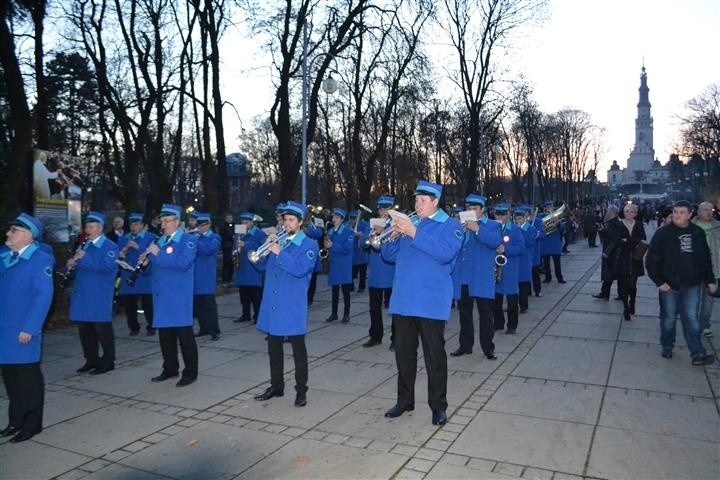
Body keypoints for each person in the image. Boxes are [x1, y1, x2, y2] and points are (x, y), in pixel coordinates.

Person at [381, 180, 463, 426]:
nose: (418, 204)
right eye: (416, 200)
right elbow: (387, 256)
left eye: (423, 200)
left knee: (434, 357)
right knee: (404, 356)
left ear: (435, 202)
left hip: (430, 301)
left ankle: (438, 406)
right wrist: (393, 236)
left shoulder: (451, 226)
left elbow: (446, 253)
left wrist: (413, 232)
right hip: (405, 300)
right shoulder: (410, 223)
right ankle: (405, 401)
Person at [253, 201, 318, 407]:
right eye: (284, 220)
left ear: (300, 223)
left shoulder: (309, 245)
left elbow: (300, 269)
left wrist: (278, 251)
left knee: (299, 350)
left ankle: (301, 390)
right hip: (273, 304)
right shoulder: (279, 242)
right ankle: (276, 386)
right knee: (274, 349)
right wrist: (264, 249)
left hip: (292, 305)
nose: (286, 224)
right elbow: (261, 265)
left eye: (291, 220)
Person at [0, 213, 54, 443]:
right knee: (10, 377)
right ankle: (15, 420)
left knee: (28, 379)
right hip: (3, 329)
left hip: (22, 329)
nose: (8, 234)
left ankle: (32, 424)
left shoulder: (39, 259)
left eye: (14, 231)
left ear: (28, 236)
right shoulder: (4, 256)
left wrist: (30, 328)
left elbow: (43, 296)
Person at [645, 200, 716, 366]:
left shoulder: (697, 233)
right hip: (669, 284)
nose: (677, 215)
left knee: (691, 319)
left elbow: (705, 259)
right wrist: (659, 281)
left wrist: (710, 280)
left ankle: (697, 353)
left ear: (690, 214)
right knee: (668, 318)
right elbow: (651, 260)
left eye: (681, 212)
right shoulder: (663, 234)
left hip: (692, 285)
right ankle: (667, 345)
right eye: (675, 212)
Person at [146, 204, 199, 386]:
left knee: (185, 337)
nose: (163, 224)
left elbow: (183, 263)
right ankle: (169, 369)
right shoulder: (160, 240)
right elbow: (156, 266)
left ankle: (190, 372)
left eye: (167, 221)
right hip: (162, 297)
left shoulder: (187, 240)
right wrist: (145, 262)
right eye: (162, 221)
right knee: (165, 336)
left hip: (178, 296)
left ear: (177, 222)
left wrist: (157, 254)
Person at [450, 194, 501, 359]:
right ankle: (465, 345)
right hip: (464, 276)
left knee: (486, 314)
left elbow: (495, 241)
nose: (471, 211)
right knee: (464, 313)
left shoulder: (492, 225)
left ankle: (488, 348)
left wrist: (477, 229)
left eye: (474, 208)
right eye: (468, 208)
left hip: (481, 277)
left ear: (482, 210)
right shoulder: (460, 225)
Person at [69, 211, 119, 376]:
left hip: (98, 294)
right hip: (82, 294)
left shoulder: (110, 246)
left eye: (90, 227)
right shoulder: (84, 245)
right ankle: (91, 360)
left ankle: (108, 361)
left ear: (100, 228)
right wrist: (72, 265)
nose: (87, 230)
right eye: (86, 227)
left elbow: (107, 267)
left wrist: (85, 258)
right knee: (85, 330)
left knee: (102, 330)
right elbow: (81, 268)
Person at [361, 195, 396, 348]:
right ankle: (375, 336)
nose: (383, 212)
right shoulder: (372, 225)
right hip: (375, 274)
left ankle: (396, 339)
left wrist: (384, 231)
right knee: (374, 308)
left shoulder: (396, 225)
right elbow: (362, 243)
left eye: (386, 209)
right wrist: (370, 235)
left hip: (391, 273)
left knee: (395, 309)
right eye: (381, 209)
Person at [604, 203, 646, 320]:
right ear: (623, 212)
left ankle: (632, 301)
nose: (629, 213)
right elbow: (615, 239)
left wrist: (627, 240)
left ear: (635, 214)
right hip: (622, 257)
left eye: (632, 211)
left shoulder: (638, 224)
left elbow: (642, 238)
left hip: (635, 258)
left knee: (632, 284)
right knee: (623, 283)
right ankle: (626, 307)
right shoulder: (618, 224)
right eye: (627, 211)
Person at [117, 213, 156, 336]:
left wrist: (138, 247)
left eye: (137, 224)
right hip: (128, 274)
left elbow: (153, 254)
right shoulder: (123, 238)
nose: (134, 227)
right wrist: (122, 254)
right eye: (132, 224)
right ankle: (134, 327)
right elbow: (118, 255)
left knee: (148, 303)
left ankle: (151, 326)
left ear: (143, 225)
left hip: (144, 275)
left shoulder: (151, 237)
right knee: (130, 304)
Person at [492, 204, 525, 334]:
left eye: (502, 214)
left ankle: (512, 326)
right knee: (496, 300)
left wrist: (506, 249)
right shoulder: (492, 228)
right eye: (497, 214)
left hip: (510, 269)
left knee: (512, 301)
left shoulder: (515, 230)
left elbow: (521, 248)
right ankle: (498, 323)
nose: (500, 217)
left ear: (508, 215)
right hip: (495, 268)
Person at [691, 202, 720, 337]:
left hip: (713, 268)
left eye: (711, 210)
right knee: (693, 298)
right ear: (698, 211)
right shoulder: (690, 226)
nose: (709, 212)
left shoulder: (717, 226)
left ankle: (704, 325)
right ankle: (691, 323)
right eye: (705, 209)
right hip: (693, 268)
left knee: (709, 300)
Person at [232, 212, 267, 323]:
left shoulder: (260, 234)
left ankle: (258, 316)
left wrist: (246, 244)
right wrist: (234, 252)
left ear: (252, 222)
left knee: (256, 296)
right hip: (242, 267)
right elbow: (234, 246)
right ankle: (245, 314)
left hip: (253, 268)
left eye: (247, 222)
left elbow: (263, 248)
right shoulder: (239, 232)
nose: (244, 224)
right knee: (244, 296)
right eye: (242, 222)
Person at [193, 212, 221, 341]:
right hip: (195, 275)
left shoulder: (214, 237)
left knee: (209, 305)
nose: (200, 228)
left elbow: (209, 249)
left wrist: (195, 240)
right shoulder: (195, 237)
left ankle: (214, 330)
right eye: (199, 225)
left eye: (203, 225)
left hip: (207, 276)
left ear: (208, 224)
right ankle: (203, 328)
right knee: (198, 305)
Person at [324, 208, 354, 323]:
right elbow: (328, 246)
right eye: (333, 217)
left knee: (346, 291)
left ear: (342, 219)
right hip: (334, 264)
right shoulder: (331, 231)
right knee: (334, 291)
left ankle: (346, 314)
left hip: (343, 264)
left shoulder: (348, 231)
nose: (334, 219)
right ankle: (334, 313)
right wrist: (326, 247)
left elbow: (348, 248)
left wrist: (333, 245)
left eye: (336, 218)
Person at [592, 205, 621, 300]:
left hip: (612, 253)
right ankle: (605, 293)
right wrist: (602, 230)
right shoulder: (611, 222)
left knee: (614, 274)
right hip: (610, 252)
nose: (607, 213)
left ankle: (614, 294)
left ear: (612, 213)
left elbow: (615, 239)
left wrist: (607, 252)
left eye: (608, 211)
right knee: (609, 274)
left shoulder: (615, 223)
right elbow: (609, 235)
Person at [516, 206, 538, 314]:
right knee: (514, 284)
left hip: (525, 259)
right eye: (516, 219)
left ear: (525, 217)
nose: (518, 221)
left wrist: (520, 231)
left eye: (520, 219)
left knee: (523, 284)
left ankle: (524, 306)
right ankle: (514, 304)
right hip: (515, 259)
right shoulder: (513, 228)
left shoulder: (531, 229)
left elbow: (528, 243)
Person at [539, 200, 566, 283]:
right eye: (547, 207)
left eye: (551, 207)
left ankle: (559, 278)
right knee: (546, 263)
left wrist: (557, 223)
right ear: (545, 208)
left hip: (555, 242)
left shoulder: (557, 216)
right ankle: (548, 277)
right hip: (546, 243)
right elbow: (540, 228)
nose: (549, 208)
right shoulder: (541, 217)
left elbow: (562, 228)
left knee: (557, 262)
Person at [349, 210, 369, 292]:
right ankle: (351, 286)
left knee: (362, 273)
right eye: (351, 218)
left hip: (361, 253)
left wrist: (361, 235)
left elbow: (367, 235)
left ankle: (362, 286)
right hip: (352, 254)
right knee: (351, 272)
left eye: (354, 218)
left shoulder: (364, 224)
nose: (352, 220)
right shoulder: (347, 226)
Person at [218, 213, 235, 287]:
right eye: (228, 218)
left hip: (233, 246)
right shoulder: (223, 226)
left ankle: (230, 279)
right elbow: (222, 236)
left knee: (232, 264)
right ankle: (224, 280)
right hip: (226, 247)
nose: (229, 219)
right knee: (226, 263)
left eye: (230, 217)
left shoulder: (235, 226)